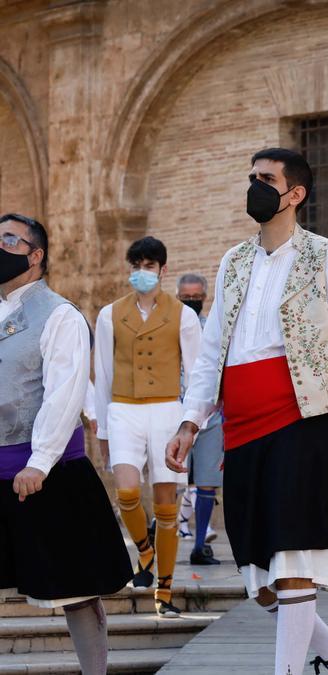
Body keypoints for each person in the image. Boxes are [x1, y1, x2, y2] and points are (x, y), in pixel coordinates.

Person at [165, 147, 328, 675]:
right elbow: (211, 351)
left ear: (294, 194)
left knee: (294, 559)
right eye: (252, 177)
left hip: (306, 419)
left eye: (267, 179)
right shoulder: (233, 261)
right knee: (258, 576)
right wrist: (190, 420)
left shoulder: (327, 256)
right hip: (243, 426)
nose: (256, 186)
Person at [0, 213, 132, 674]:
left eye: (9, 240)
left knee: (77, 590)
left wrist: (39, 463)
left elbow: (64, 393)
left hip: (46, 474)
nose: (0, 245)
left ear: (35, 256)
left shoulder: (60, 314)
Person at [94, 236, 202, 618]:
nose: (142, 273)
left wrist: (192, 424)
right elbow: (103, 374)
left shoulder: (183, 316)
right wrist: (103, 431)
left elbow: (198, 372)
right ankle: (144, 550)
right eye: (136, 266)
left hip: (167, 411)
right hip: (123, 409)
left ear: (163, 270)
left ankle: (165, 589)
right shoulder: (109, 314)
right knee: (125, 491)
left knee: (166, 504)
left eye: (149, 266)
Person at [176, 273, 222, 565]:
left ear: (204, 298)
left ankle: (200, 543)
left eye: (196, 296)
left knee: (207, 481)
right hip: (174, 410)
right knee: (171, 479)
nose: (192, 301)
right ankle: (163, 541)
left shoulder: (213, 330)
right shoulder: (170, 327)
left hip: (210, 413)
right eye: (186, 296)